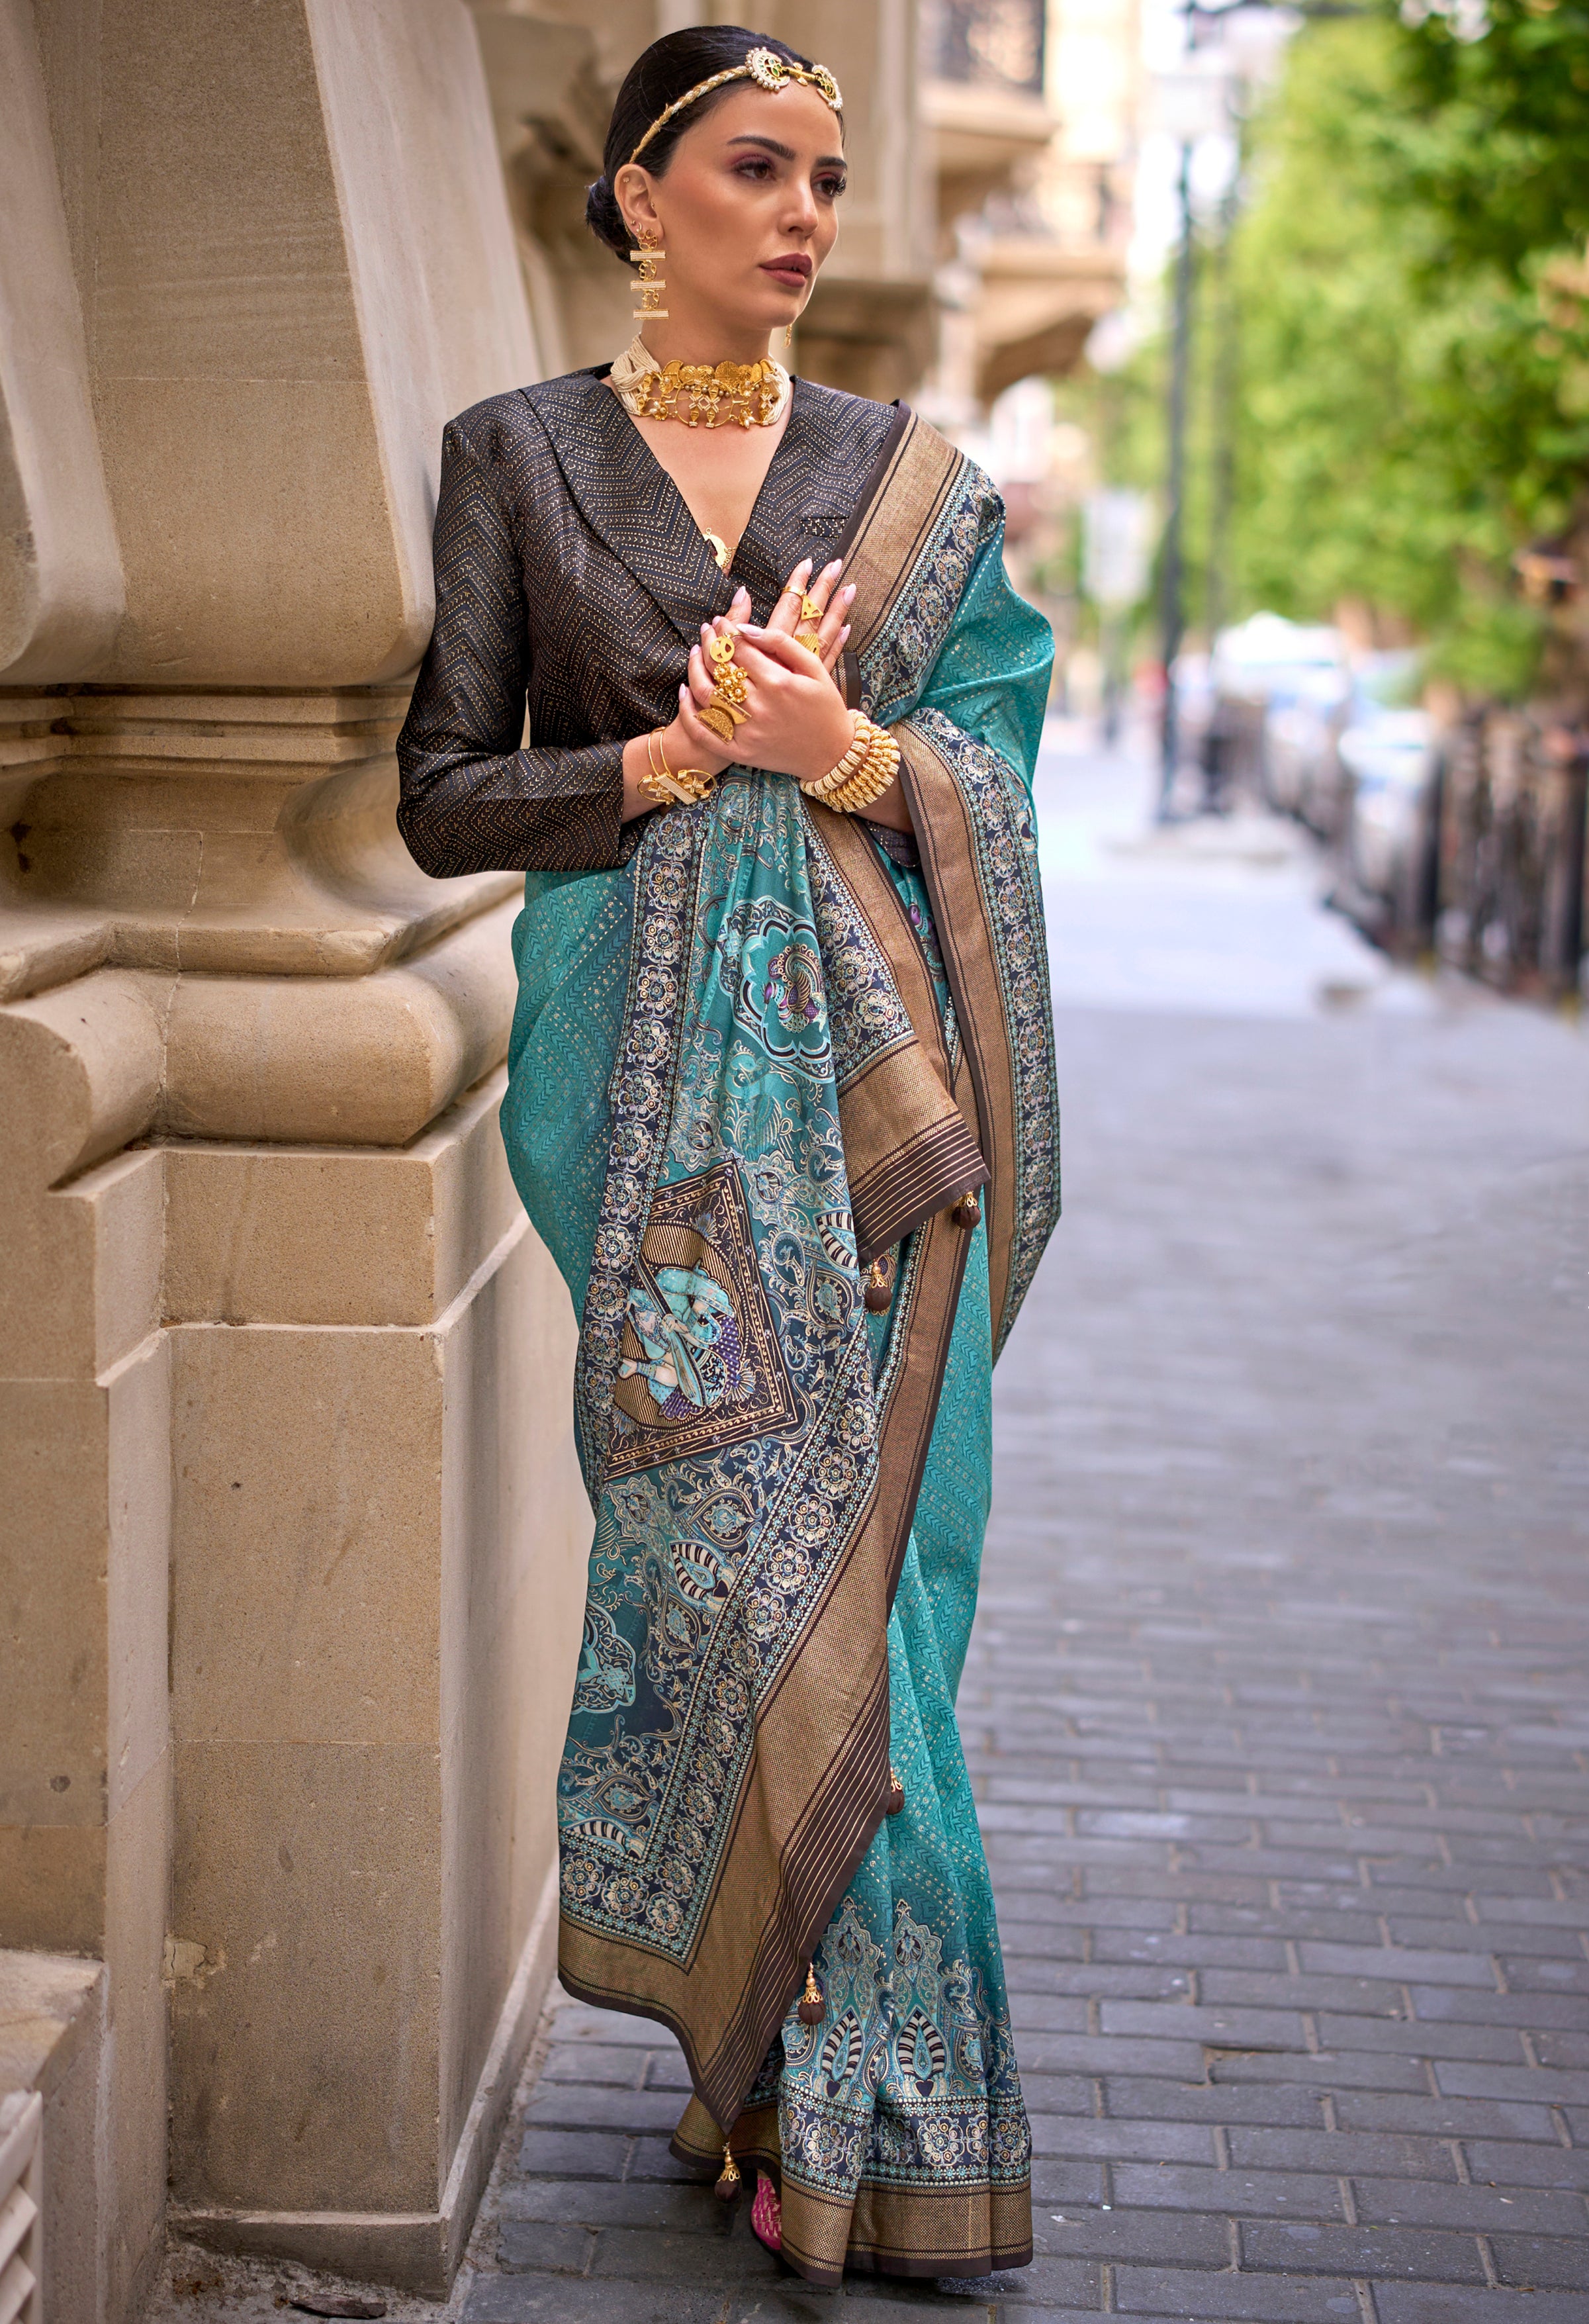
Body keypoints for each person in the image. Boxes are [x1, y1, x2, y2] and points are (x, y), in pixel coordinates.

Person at [396, 23, 1060, 2289]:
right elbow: (440, 796)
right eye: (755, 171)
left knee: (864, 1616)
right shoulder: (515, 461)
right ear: (637, 198)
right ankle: (745, 2063)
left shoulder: (909, 475)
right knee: (709, 1604)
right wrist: (668, 768)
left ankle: (869, 2126)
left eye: (825, 180)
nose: (801, 216)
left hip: (885, 1138)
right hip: (642, 1145)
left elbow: (993, 771)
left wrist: (852, 750)